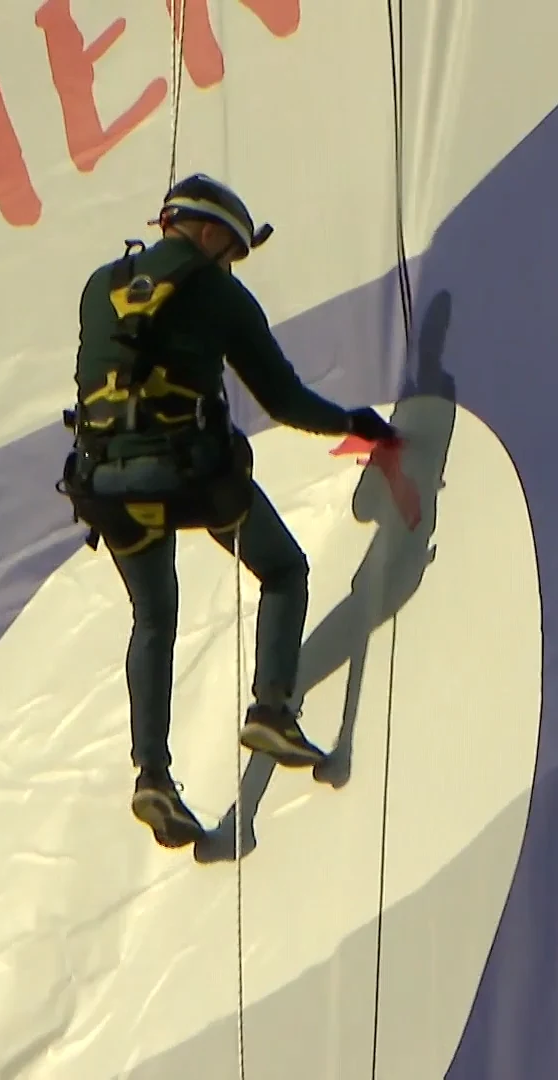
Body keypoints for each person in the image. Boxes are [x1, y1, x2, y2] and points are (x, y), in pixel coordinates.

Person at [58, 173, 398, 849]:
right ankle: (271, 706)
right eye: (231, 251)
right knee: (281, 569)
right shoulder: (220, 294)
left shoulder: (99, 286)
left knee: (152, 616)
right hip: (193, 476)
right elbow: (285, 402)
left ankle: (152, 774)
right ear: (211, 231)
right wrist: (354, 422)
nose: (230, 264)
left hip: (107, 487)